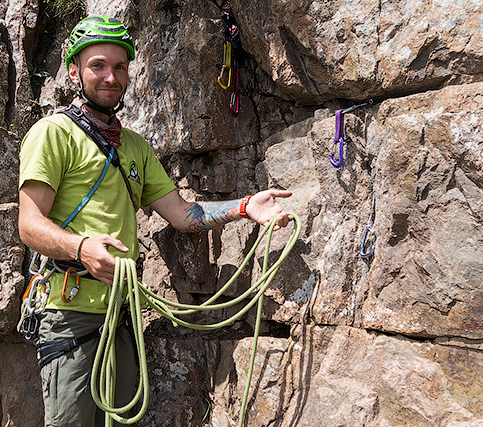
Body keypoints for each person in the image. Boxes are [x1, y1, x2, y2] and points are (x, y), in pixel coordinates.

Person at [18, 15, 292, 426]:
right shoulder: (52, 134)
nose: (110, 77)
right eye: (98, 66)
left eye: (120, 67)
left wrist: (245, 205)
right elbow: (29, 224)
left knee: (122, 419)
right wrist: (81, 248)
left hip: (122, 312)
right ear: (74, 70)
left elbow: (183, 215)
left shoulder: (134, 147)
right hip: (70, 311)